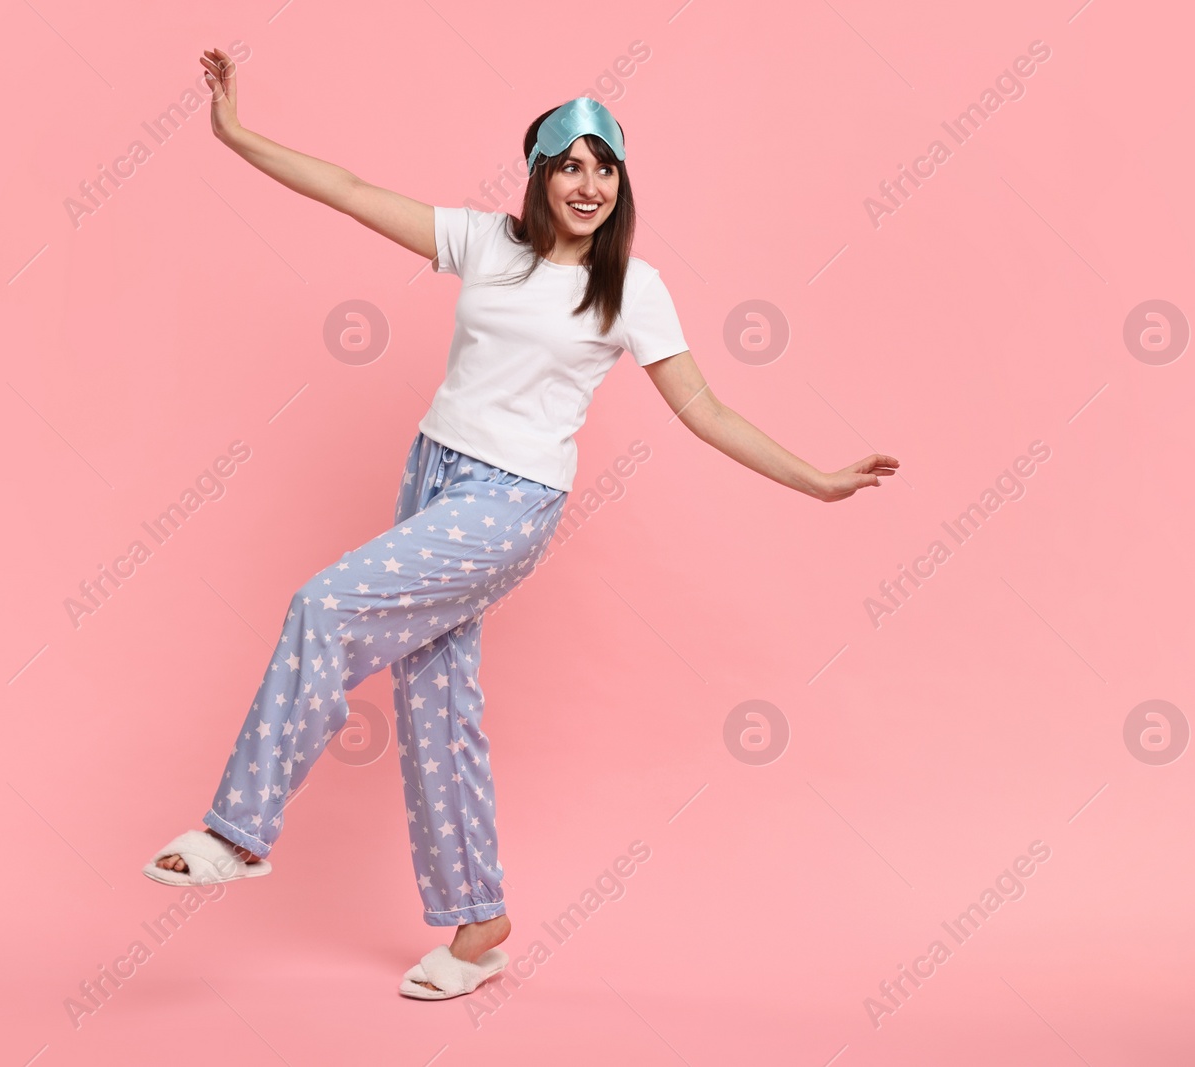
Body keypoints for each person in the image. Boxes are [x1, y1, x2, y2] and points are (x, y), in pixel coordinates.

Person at [144, 47, 900, 1001]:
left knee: (324, 606)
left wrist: (820, 480)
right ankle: (478, 925)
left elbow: (705, 409)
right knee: (435, 700)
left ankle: (236, 831)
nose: (589, 185)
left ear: (623, 182)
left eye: (606, 167)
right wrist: (236, 131)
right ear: (540, 175)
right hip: (431, 474)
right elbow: (346, 188)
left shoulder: (632, 288)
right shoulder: (485, 244)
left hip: (508, 502)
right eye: (570, 166)